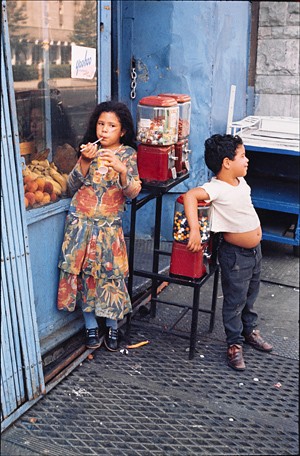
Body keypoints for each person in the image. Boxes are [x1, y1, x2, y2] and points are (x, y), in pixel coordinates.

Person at [57, 101, 141, 351]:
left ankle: (113, 326)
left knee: (110, 276)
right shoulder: (88, 151)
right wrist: (83, 161)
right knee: (84, 275)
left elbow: (134, 192)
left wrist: (122, 171)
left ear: (122, 131)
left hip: (108, 229)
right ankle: (90, 325)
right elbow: (70, 187)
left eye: (111, 126)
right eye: (101, 124)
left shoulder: (127, 155)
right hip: (80, 225)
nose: (104, 130)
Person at [183, 134, 272, 371]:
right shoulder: (216, 188)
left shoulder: (240, 182)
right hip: (236, 256)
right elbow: (190, 196)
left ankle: (249, 330)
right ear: (226, 162)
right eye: (242, 156)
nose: (247, 160)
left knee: (250, 295)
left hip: (255, 252)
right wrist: (194, 230)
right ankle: (234, 344)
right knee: (234, 301)